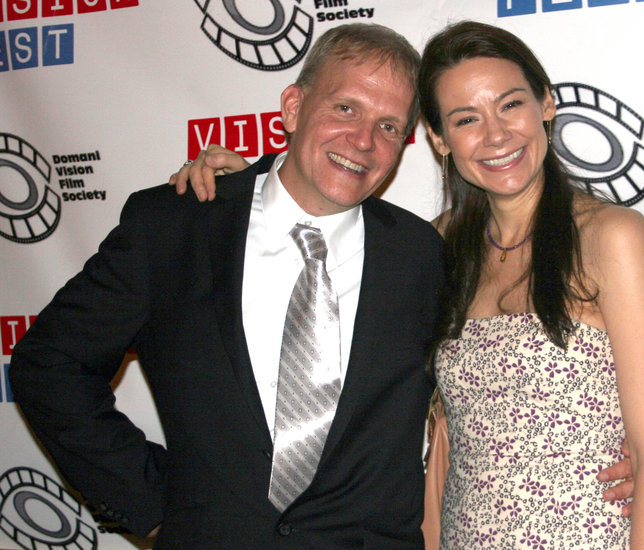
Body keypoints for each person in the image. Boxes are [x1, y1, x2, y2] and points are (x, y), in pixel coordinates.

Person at [170, 21, 644, 550]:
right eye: (466, 119)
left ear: (546, 104)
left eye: (511, 105)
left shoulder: (610, 235)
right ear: (438, 138)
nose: (497, 135)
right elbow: (441, 439)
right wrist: (246, 182)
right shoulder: (431, 249)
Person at [10, 24, 445, 549]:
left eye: (390, 125)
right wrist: (147, 504)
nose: (363, 141)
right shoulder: (176, 226)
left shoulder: (426, 257)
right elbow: (49, 363)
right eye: (346, 108)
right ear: (292, 107)